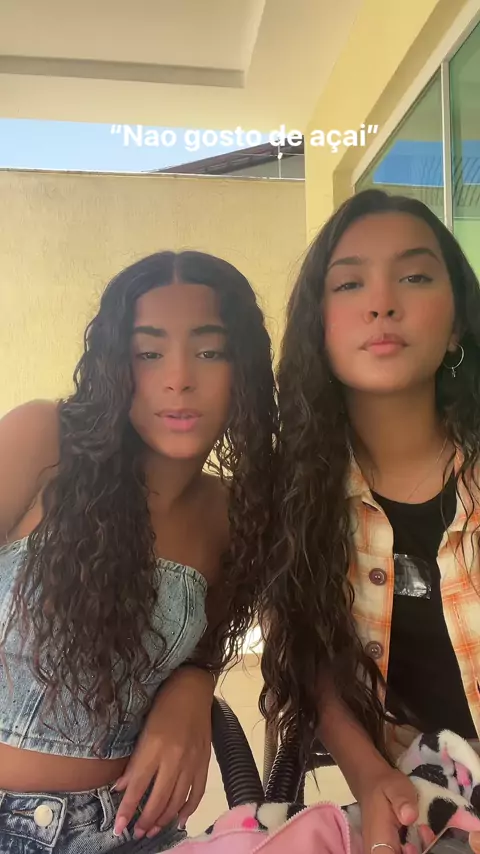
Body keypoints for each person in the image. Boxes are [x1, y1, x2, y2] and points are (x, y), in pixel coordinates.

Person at [0, 249, 277, 852]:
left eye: (209, 351)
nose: (178, 378)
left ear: (245, 369)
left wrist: (195, 685)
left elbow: (206, 643)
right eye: (149, 353)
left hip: (127, 832)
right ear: (115, 365)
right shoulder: (43, 441)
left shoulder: (233, 514)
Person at [259, 190, 480, 854]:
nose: (382, 303)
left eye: (414, 277)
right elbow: (310, 655)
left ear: (457, 326)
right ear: (318, 328)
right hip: (429, 804)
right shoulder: (294, 494)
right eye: (350, 283)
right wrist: (368, 770)